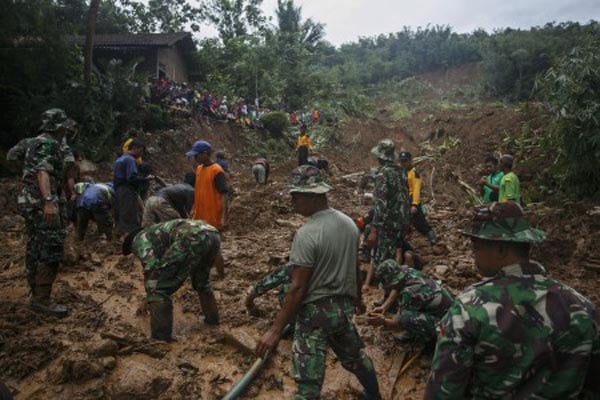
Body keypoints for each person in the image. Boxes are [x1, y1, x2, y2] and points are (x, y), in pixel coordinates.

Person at [424, 202, 600, 399]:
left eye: (476, 247)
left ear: (500, 249)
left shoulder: (469, 308)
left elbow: (443, 393)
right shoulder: (582, 307)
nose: (473, 255)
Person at [255, 165, 381, 400]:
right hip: (342, 311)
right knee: (356, 359)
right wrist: (359, 300)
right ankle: (375, 396)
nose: (292, 202)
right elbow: (355, 268)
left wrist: (275, 329)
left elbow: (298, 287)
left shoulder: (307, 233)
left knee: (308, 381)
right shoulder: (350, 225)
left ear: (312, 196)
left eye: (296, 196)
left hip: (315, 315)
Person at [8, 109, 77, 316]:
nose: (67, 129)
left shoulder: (31, 142)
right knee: (51, 246)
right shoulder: (50, 144)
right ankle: (42, 300)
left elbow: (11, 156)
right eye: (64, 126)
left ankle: (34, 292)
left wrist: (25, 177)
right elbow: (44, 171)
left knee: (34, 244)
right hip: (42, 201)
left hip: (28, 200)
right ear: (59, 126)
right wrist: (48, 200)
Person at [122, 219, 223, 341]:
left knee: (159, 290)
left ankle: (160, 338)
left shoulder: (139, 240)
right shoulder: (155, 232)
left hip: (189, 237)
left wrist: (151, 296)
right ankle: (212, 320)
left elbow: (151, 267)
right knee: (202, 281)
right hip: (212, 233)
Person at [365, 259, 453, 345]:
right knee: (403, 310)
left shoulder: (411, 292)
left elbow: (397, 324)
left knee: (406, 318)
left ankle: (429, 339)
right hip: (444, 310)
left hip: (447, 325)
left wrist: (382, 321)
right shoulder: (408, 272)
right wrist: (384, 306)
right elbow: (397, 287)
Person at [367, 139, 411, 267]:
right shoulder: (401, 172)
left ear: (380, 157)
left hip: (388, 225)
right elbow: (405, 198)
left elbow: (380, 204)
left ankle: (386, 284)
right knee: (396, 252)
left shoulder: (382, 174)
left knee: (385, 260)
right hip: (401, 223)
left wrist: (374, 230)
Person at [187, 140, 228, 230]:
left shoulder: (216, 171)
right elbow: (198, 190)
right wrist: (193, 208)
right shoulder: (199, 169)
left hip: (212, 215)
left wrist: (224, 217)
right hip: (199, 214)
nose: (195, 158)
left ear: (205, 154)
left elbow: (224, 194)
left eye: (197, 155)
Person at [399, 151, 436, 246]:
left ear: (410, 161)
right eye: (402, 161)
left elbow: (416, 189)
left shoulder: (414, 173)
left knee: (419, 221)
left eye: (405, 161)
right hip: (404, 199)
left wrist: (414, 204)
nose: (403, 163)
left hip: (412, 199)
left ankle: (431, 235)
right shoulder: (402, 172)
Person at [113, 140, 149, 235]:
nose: (141, 155)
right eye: (140, 151)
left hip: (119, 190)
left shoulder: (120, 159)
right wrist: (145, 179)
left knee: (123, 213)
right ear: (134, 148)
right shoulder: (130, 160)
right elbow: (131, 178)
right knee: (129, 215)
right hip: (127, 190)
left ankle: (120, 236)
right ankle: (131, 238)